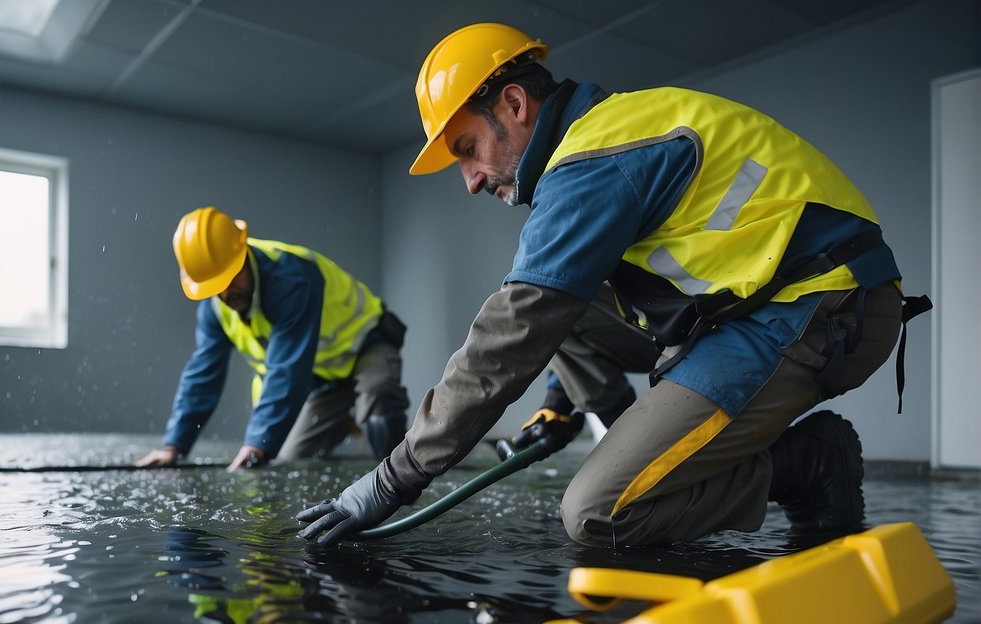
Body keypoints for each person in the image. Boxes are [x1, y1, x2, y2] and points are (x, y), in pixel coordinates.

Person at [298, 22, 929, 546]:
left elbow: (514, 330)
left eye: (467, 148)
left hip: (822, 305)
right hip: (762, 309)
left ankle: (809, 464)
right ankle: (646, 449)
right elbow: (563, 305)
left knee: (598, 512)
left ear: (515, 106)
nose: (469, 179)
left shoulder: (592, 161)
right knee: (555, 305)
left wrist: (392, 479)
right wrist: (559, 401)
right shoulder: (603, 138)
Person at [137, 206, 410, 472]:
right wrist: (174, 446)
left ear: (244, 253)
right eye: (216, 287)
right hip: (323, 381)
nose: (227, 294)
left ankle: (402, 485)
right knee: (288, 463)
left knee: (379, 411)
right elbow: (203, 374)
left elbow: (288, 368)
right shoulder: (216, 307)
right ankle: (340, 421)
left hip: (365, 347)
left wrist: (258, 443)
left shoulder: (291, 278)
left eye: (231, 278)